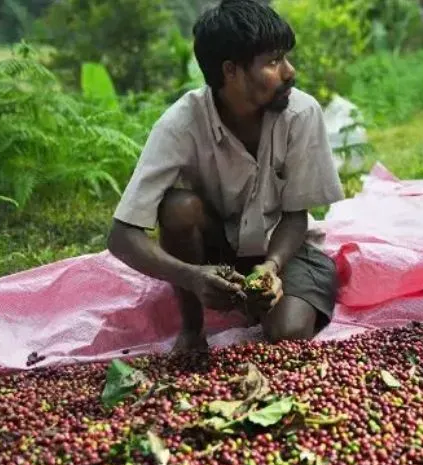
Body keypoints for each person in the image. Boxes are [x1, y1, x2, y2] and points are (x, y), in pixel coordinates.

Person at [107, 0, 344, 353]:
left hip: (284, 248)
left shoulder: (301, 113)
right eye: (273, 62)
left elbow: (295, 216)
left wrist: (271, 267)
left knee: (289, 333)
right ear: (231, 71)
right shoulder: (180, 125)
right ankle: (192, 329)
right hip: (218, 249)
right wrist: (190, 275)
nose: (289, 72)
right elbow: (122, 236)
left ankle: (266, 296)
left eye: (285, 58)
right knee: (179, 207)